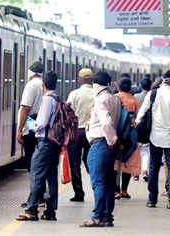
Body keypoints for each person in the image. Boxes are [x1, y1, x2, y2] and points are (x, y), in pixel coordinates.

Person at [16, 72, 60, 222]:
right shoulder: (56, 98)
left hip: (45, 142)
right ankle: (50, 210)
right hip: (54, 143)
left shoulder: (47, 99)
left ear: (43, 85)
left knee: (36, 174)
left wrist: (29, 124)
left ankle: (32, 209)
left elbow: (41, 123)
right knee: (51, 176)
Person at [80, 72, 121, 228]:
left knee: (98, 181)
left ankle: (97, 216)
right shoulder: (115, 99)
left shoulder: (100, 100)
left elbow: (106, 122)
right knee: (109, 181)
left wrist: (111, 140)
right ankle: (107, 216)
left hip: (100, 144)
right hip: (110, 147)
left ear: (96, 84)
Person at [136, 70, 170, 209]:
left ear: (163, 80)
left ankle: (152, 199)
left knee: (153, 167)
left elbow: (141, 114)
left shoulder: (153, 93)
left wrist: (137, 124)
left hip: (155, 136)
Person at [66, 68, 95, 202]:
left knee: (74, 162)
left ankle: (79, 193)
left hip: (76, 132)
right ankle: (96, 187)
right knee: (92, 161)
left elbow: (67, 110)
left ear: (80, 79)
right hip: (92, 132)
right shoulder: (96, 93)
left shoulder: (74, 94)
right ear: (92, 79)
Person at [114, 78, 141, 198]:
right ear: (130, 88)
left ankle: (116, 190)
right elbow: (139, 119)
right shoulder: (135, 100)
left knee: (115, 163)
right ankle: (124, 190)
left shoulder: (115, 98)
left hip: (116, 133)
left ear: (119, 86)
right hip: (130, 136)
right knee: (128, 162)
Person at [17, 61, 44, 171]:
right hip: (41, 124)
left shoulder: (31, 85)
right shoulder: (43, 83)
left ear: (30, 73)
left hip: (31, 125)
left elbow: (25, 109)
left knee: (31, 159)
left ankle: (35, 184)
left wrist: (19, 130)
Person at [135, 78, 152, 182]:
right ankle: (145, 171)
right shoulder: (153, 96)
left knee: (136, 150)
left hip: (137, 125)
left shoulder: (136, 97)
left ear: (141, 85)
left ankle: (136, 173)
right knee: (146, 150)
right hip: (149, 126)